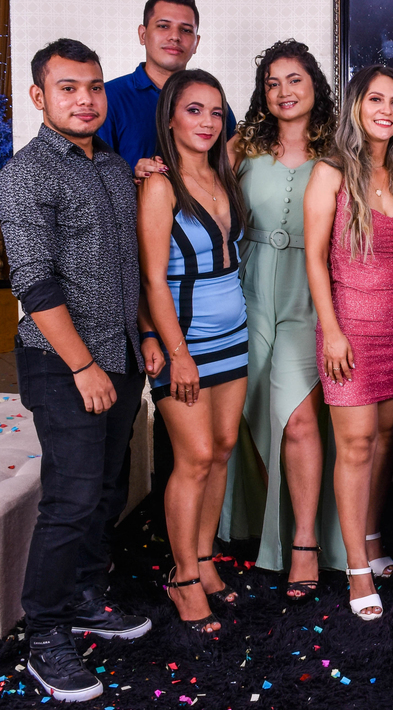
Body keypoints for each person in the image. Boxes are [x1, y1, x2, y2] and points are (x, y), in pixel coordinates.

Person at [0, 39, 159, 703]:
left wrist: (145, 335)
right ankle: (45, 634)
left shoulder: (115, 168)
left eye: (93, 87)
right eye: (68, 88)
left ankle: (88, 597)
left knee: (108, 489)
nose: (85, 99)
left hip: (121, 357)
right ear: (40, 96)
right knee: (70, 498)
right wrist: (84, 365)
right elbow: (34, 285)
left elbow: (130, 269)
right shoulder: (26, 174)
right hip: (63, 363)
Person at [220, 40, 347, 601]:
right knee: (250, 415)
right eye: (272, 83)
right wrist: (150, 168)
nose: (283, 91)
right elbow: (191, 185)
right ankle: (260, 525)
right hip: (246, 291)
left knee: (297, 420)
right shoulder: (241, 146)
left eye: (294, 79)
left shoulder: (341, 151)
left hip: (310, 294)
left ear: (315, 85)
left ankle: (304, 543)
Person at [303, 65, 393, 620]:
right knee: (354, 445)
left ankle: (372, 540)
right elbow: (313, 258)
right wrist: (331, 331)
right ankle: (355, 570)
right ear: (356, 106)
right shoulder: (330, 172)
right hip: (347, 327)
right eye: (376, 99)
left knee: (385, 440)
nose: (386, 110)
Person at [138, 69, 248, 635]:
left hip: (235, 335)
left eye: (216, 112)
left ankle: (204, 560)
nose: (207, 122)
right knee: (196, 456)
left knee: (223, 448)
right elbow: (152, 279)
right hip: (187, 340)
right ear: (171, 117)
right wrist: (176, 353)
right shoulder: (160, 185)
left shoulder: (224, 171)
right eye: (194, 110)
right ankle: (182, 578)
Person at [99, 0, 236, 170]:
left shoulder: (213, 104)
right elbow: (94, 172)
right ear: (143, 34)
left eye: (186, 30)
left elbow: (228, 168)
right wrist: (134, 176)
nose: (175, 37)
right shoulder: (108, 98)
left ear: (196, 42)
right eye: (163, 26)